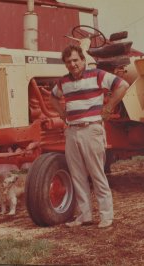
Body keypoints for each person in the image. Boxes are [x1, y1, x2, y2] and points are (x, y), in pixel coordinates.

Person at [50, 44, 129, 229]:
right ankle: (85, 216)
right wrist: (62, 113)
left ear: (83, 61)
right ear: (65, 65)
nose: (73, 64)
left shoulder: (97, 75)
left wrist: (108, 108)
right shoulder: (63, 82)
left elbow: (122, 85)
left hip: (91, 130)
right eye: (68, 62)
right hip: (72, 131)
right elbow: (52, 97)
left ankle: (106, 216)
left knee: (96, 173)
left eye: (76, 60)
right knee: (77, 175)